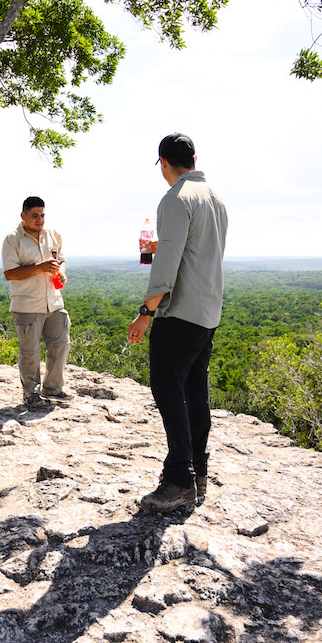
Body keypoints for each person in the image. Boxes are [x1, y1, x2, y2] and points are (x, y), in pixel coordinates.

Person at [126, 133, 228, 513]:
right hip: (207, 313)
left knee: (169, 394)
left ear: (163, 163)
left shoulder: (175, 199)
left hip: (180, 313)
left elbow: (166, 267)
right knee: (195, 393)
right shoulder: (215, 198)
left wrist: (146, 311)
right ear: (194, 158)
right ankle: (198, 471)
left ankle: (179, 481)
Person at [1, 196, 71, 406]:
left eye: (42, 215)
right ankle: (30, 393)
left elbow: (61, 260)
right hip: (27, 305)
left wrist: (62, 273)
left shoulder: (53, 235)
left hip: (54, 302)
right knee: (30, 351)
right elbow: (9, 273)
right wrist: (39, 268)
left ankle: (53, 389)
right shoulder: (12, 239)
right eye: (34, 216)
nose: (40, 220)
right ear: (23, 216)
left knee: (60, 346)